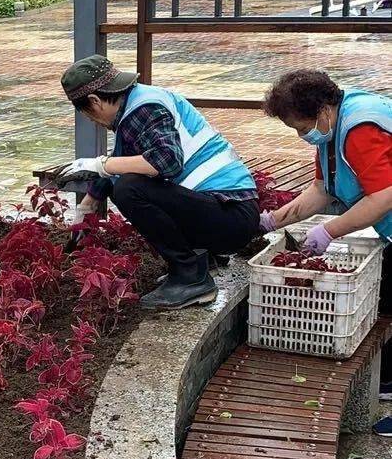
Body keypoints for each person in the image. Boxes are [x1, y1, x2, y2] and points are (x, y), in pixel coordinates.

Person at [52, 55, 260, 309]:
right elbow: (120, 164)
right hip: (229, 212)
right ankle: (204, 261)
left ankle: (191, 278)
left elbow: (166, 162)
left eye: (87, 114)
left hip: (230, 217)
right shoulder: (138, 102)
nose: (93, 121)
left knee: (129, 190)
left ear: (94, 102)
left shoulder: (144, 110)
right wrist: (86, 208)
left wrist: (97, 164)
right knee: (124, 183)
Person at [262, 68, 392, 431]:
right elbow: (321, 190)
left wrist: (329, 231)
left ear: (321, 110)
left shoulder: (360, 129)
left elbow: (384, 195)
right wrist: (274, 220)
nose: (302, 135)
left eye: (302, 126)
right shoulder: (331, 131)